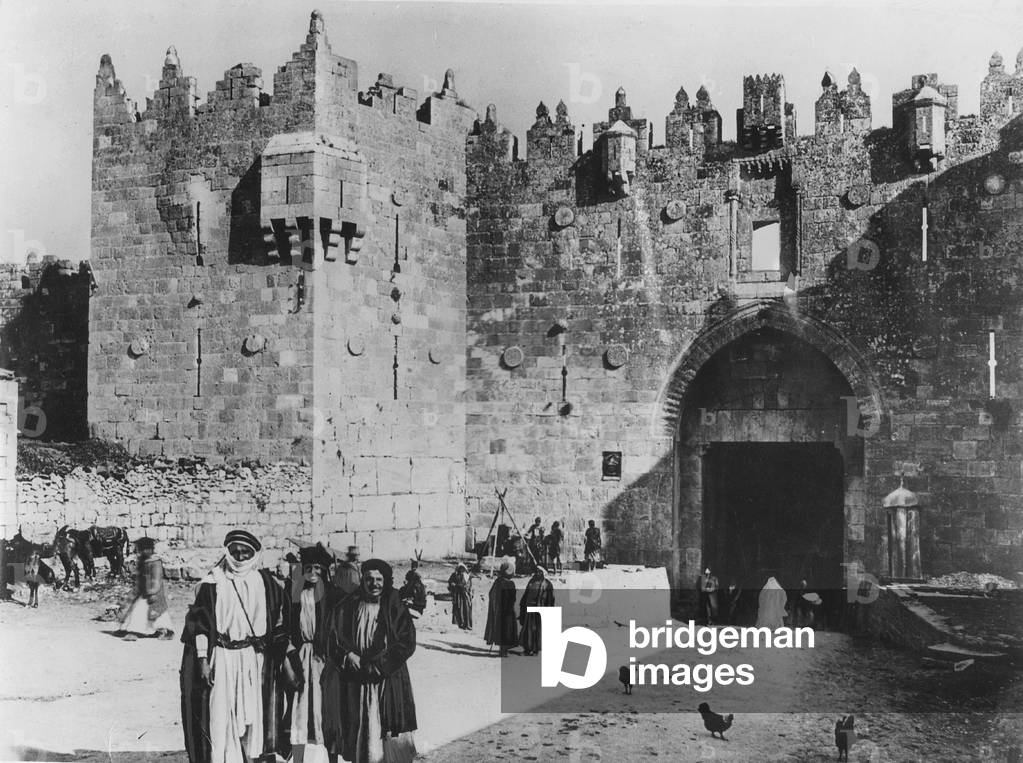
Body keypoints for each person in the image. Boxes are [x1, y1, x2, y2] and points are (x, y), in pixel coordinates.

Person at [180, 529, 289, 763]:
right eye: (235, 552)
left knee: (253, 714)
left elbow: (280, 619)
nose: (239, 557)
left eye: (245, 552)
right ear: (227, 552)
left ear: (254, 554)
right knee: (220, 715)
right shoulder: (212, 583)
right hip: (222, 657)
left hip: (253, 658)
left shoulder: (266, 583)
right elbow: (199, 625)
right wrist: (202, 659)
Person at [322, 559, 417, 763]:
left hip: (387, 679)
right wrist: (348, 654)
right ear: (362, 581)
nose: (374, 584)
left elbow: (406, 642)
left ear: (386, 581)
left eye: (379, 579)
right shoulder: (349, 605)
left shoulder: (394, 604)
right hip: (358, 680)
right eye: (369, 579)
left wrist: (379, 665)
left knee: (389, 736)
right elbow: (334, 635)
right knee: (362, 732)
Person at [286, 544, 334, 763]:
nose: (313, 573)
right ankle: (298, 758)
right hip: (301, 655)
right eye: (309, 568)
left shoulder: (331, 595)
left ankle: (325, 757)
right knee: (300, 706)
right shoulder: (295, 593)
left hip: (324, 657)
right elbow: (286, 623)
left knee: (323, 707)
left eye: (318, 568)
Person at [118, 537, 174, 640]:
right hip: (143, 591)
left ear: (151, 549)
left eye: (145, 549)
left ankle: (135, 631)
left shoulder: (155, 562)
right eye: (141, 549)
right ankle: (135, 630)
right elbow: (140, 577)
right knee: (139, 611)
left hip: (153, 592)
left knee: (149, 612)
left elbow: (156, 579)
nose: (143, 552)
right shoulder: (143, 561)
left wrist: (152, 592)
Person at [484, 559, 519, 657]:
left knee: (505, 630)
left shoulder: (500, 582)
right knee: (505, 630)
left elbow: (493, 594)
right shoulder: (504, 583)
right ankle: (503, 651)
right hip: (505, 611)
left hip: (504, 611)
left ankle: (503, 650)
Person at [518, 567, 554, 656]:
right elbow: (526, 595)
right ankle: (527, 649)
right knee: (527, 630)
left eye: (540, 572)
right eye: (537, 571)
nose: (537, 573)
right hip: (529, 609)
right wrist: (522, 606)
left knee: (537, 630)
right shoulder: (531, 582)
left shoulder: (547, 584)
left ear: (543, 573)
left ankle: (535, 650)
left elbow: (550, 600)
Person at [447, 563, 473, 631]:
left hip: (465, 594)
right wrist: (455, 586)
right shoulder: (454, 575)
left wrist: (466, 589)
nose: (461, 571)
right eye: (460, 569)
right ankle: (460, 623)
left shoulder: (467, 576)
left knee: (466, 609)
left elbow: (469, 584)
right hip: (458, 594)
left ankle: (467, 624)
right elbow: (450, 583)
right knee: (459, 609)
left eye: (463, 569)